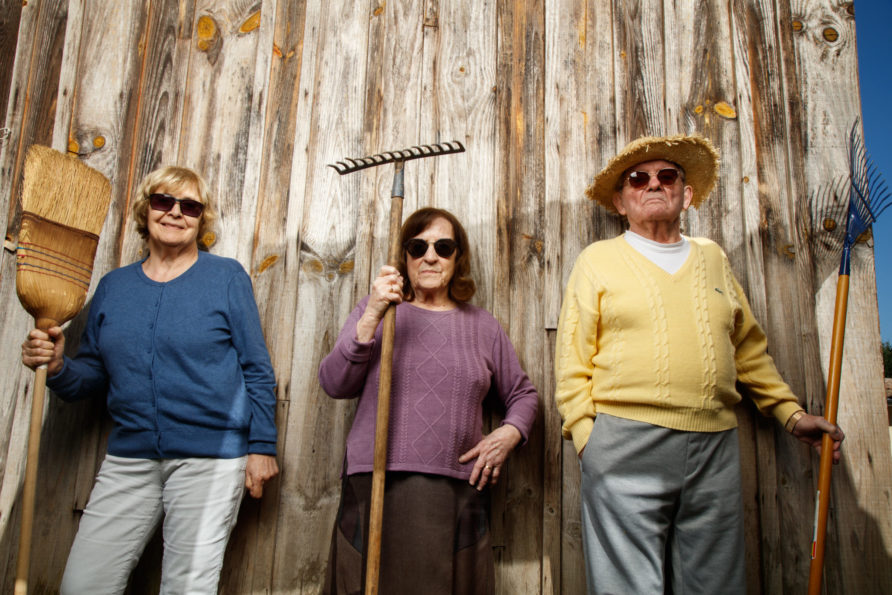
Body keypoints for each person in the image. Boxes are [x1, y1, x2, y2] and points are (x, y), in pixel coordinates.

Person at [554, 134, 845, 594]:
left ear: (685, 194)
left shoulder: (712, 257)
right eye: (638, 178)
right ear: (620, 201)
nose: (654, 184)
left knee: (716, 583)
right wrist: (588, 439)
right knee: (625, 587)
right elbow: (572, 357)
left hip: (714, 445)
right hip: (624, 442)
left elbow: (747, 348)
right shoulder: (598, 260)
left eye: (667, 176)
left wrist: (790, 414)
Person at [21, 166, 279, 594]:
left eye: (190, 207)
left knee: (186, 588)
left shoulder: (226, 278)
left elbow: (257, 367)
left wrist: (262, 446)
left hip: (210, 460)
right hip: (130, 458)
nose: (176, 212)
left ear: (201, 219)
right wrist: (58, 366)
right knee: (83, 586)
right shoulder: (114, 287)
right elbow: (92, 376)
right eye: (164, 201)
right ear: (146, 209)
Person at [319, 207, 539, 594]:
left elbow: (523, 396)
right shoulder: (378, 313)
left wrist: (507, 435)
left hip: (455, 489)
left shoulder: (482, 326)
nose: (430, 256)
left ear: (458, 257)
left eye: (443, 247)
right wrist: (372, 314)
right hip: (376, 481)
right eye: (418, 247)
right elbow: (334, 382)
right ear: (405, 257)